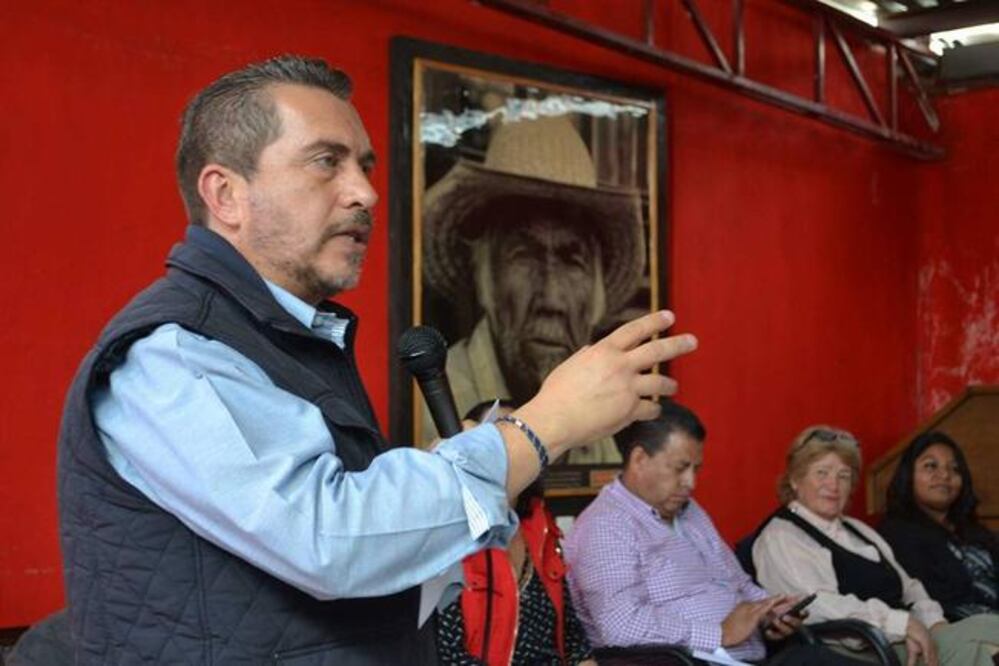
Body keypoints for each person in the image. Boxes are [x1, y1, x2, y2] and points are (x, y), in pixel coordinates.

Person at [56, 55, 697, 664]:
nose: (365, 192)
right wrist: (541, 427)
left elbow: (358, 579)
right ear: (225, 194)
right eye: (325, 162)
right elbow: (329, 540)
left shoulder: (294, 341)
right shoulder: (172, 352)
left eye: (364, 166)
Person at [420, 115, 648, 463]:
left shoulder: (597, 408)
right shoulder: (434, 404)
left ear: (596, 288)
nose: (552, 298)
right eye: (524, 256)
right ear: (486, 274)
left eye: (573, 260)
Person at [564, 402, 860, 665]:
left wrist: (769, 611)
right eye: (680, 468)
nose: (690, 483)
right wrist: (718, 633)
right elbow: (620, 626)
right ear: (639, 459)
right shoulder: (607, 526)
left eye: (696, 469)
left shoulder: (689, 511)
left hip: (754, 655)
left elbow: (737, 582)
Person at [751, 425, 999, 666]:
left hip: (906, 636)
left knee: (987, 627)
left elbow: (910, 587)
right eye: (822, 473)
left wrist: (934, 623)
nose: (834, 485)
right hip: (863, 650)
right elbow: (817, 604)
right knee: (977, 644)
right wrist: (899, 624)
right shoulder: (782, 535)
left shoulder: (857, 529)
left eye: (843, 476)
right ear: (795, 480)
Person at [437, 400, 595, 665]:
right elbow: (448, 655)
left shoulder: (539, 525)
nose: (510, 453)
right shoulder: (447, 538)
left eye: (521, 441)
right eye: (497, 441)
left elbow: (574, 643)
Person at [878, 430, 999, 621]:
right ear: (909, 475)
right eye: (930, 466)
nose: (944, 475)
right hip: (957, 628)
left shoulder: (974, 531)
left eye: (955, 469)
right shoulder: (896, 534)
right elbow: (935, 602)